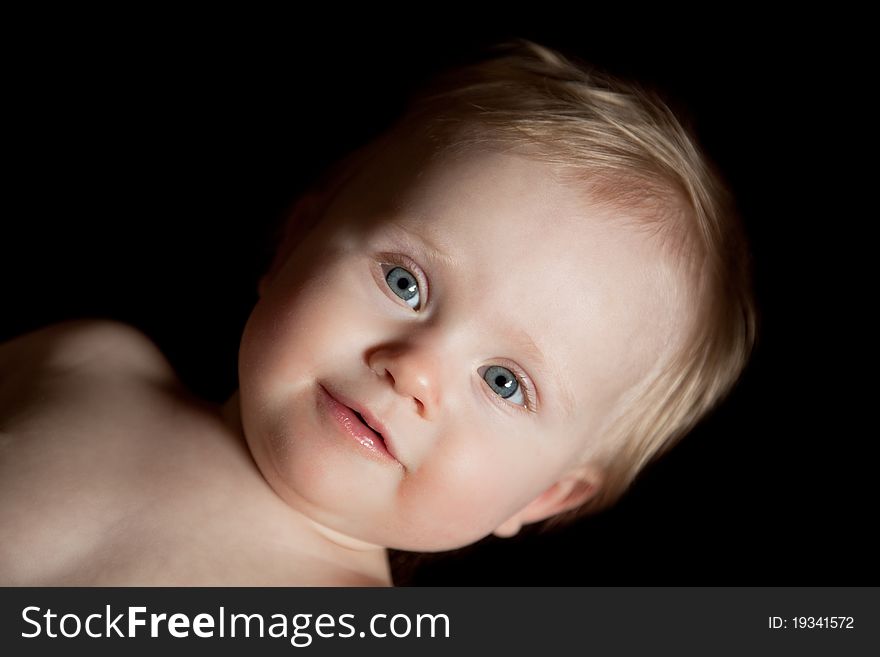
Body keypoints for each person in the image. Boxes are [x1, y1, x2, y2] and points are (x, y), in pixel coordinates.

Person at [0, 38, 757, 585]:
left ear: (547, 494)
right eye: (405, 283)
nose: (416, 370)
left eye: (502, 381)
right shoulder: (86, 364)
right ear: (296, 242)